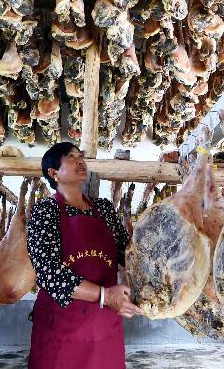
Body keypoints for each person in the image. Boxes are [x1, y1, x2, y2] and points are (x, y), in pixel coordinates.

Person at [26, 142, 143, 369]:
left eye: (81, 156)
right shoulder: (45, 212)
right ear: (53, 173)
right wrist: (106, 296)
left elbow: (126, 254)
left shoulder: (104, 208)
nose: (81, 161)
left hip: (104, 326)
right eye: (71, 157)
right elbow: (48, 273)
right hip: (62, 327)